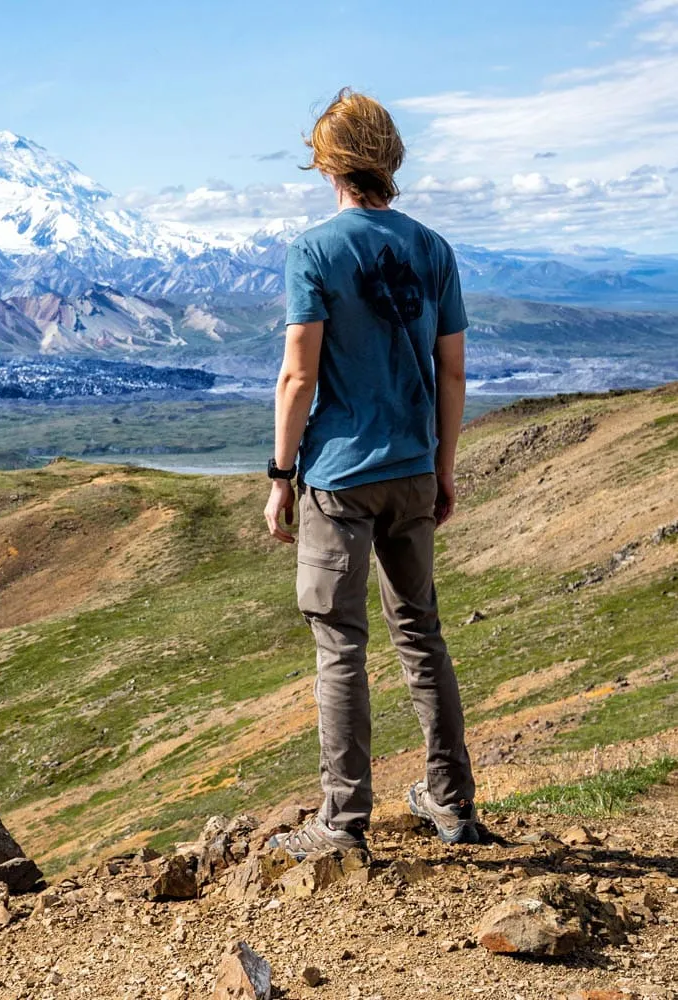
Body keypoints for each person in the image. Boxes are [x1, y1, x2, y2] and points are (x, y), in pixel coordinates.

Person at [262, 88, 479, 858]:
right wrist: (443, 468)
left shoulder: (315, 251)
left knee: (340, 646)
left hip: (340, 476)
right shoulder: (434, 250)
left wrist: (280, 475)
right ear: (390, 159)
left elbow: (299, 376)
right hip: (414, 467)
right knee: (421, 634)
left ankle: (343, 822)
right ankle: (452, 805)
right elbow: (452, 373)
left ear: (329, 166)